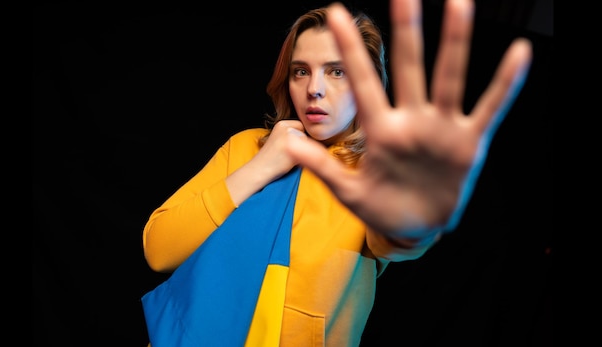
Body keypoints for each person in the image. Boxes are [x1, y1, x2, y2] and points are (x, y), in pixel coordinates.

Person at [142, 0, 533, 345]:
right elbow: (159, 250)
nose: (314, 89)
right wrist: (263, 165)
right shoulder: (247, 147)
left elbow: (396, 239)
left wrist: (417, 215)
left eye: (337, 72)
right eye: (301, 71)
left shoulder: (376, 173)